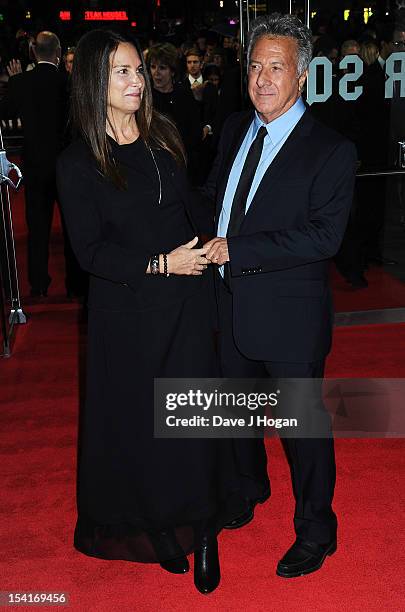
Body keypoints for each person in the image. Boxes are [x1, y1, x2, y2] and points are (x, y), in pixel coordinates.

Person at [56, 29, 269, 595]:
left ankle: (203, 531)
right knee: (142, 430)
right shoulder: (77, 163)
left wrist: (235, 233)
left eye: (137, 69)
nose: (135, 81)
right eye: (121, 72)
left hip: (186, 304)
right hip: (126, 317)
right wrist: (160, 264)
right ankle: (159, 526)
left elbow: (193, 205)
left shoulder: (162, 136)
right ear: (93, 82)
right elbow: (91, 252)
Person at [203, 13, 357, 578]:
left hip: (290, 316)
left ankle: (318, 529)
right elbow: (219, 203)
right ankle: (246, 492)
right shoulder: (235, 129)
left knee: (302, 428)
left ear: (303, 75)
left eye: (277, 66)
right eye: (254, 65)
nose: (263, 78)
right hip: (228, 304)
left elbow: (323, 236)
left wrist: (236, 251)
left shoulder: (331, 150)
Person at [0, 31, 73, 297]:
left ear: (33, 52)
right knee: (73, 226)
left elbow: (4, 113)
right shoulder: (68, 81)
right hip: (68, 167)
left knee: (38, 228)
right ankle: (75, 285)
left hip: (34, 166)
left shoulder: (21, 82)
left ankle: (39, 284)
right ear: (59, 52)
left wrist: (14, 82)